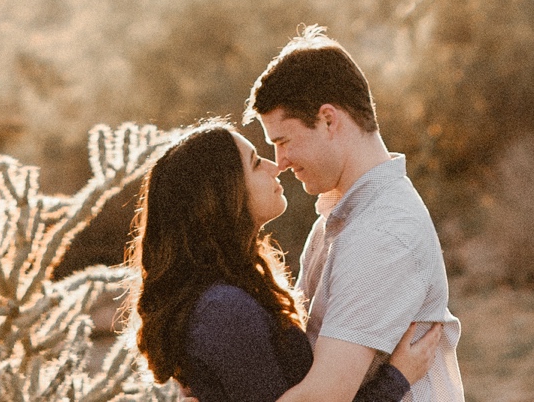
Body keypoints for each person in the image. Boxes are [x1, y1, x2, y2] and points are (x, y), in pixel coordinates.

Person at [130, 121, 445, 402]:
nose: (274, 165)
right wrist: (397, 378)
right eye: (255, 163)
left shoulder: (231, 293)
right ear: (224, 195)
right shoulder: (222, 310)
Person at [245, 32, 464, 402]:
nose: (280, 163)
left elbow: (322, 397)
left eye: (283, 141)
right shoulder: (339, 221)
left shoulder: (382, 234)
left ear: (328, 121)